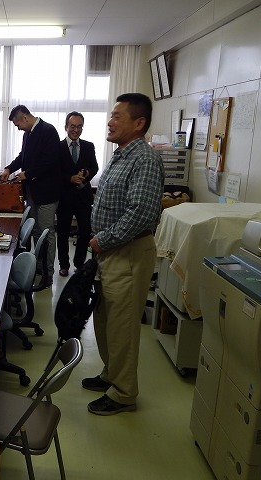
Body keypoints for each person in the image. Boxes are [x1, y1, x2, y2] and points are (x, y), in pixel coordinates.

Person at [83, 93, 164, 415]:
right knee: (105, 320)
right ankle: (110, 374)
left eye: (118, 116)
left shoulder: (144, 159)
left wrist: (104, 239)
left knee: (122, 326)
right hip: (109, 250)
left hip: (128, 252)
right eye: (111, 115)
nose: (110, 121)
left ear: (138, 123)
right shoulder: (121, 155)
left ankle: (124, 393)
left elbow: (141, 213)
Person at [0, 105, 61, 285]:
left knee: (46, 232)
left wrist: (28, 174)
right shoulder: (28, 134)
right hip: (32, 192)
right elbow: (23, 157)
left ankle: (48, 273)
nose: (18, 128)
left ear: (25, 118)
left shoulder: (48, 131)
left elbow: (50, 161)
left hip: (47, 193)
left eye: (17, 124)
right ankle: (38, 266)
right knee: (35, 231)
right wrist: (9, 168)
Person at [56, 111, 98, 277]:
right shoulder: (58, 147)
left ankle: (79, 263)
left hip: (83, 197)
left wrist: (86, 174)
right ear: (66, 127)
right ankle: (64, 265)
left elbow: (94, 167)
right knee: (63, 232)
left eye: (79, 126)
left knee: (85, 231)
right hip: (64, 197)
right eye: (72, 126)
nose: (76, 130)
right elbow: (53, 172)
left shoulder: (89, 146)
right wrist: (70, 178)